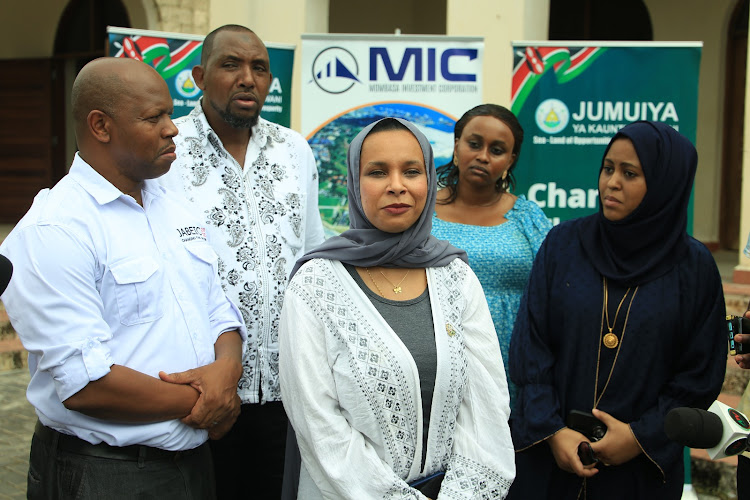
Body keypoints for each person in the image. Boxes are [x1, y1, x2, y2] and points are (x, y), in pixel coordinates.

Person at [0, 57, 246, 499]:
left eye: (171, 113)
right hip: (104, 474)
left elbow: (217, 310)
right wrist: (209, 401)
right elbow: (85, 384)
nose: (173, 128)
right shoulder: (55, 229)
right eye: (155, 117)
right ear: (100, 126)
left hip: (192, 464)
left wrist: (227, 372)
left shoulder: (173, 204)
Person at [279, 117, 515, 499]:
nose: (396, 186)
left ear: (430, 180)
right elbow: (318, 425)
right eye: (377, 172)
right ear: (355, 184)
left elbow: (486, 409)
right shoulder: (315, 285)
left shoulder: (455, 276)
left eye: (411, 171)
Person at [507, 121, 727, 499]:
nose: (611, 182)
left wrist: (641, 436)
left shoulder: (694, 267)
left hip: (638, 475)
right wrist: (552, 430)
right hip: (550, 462)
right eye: (608, 168)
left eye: (630, 173)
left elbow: (699, 372)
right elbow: (532, 345)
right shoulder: (564, 244)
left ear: (665, 184)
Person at [158, 24, 325, 497]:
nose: (247, 78)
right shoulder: (168, 150)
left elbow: (312, 252)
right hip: (201, 388)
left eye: (259, 68)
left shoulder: (294, 149)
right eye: (231, 65)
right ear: (198, 76)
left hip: (286, 386)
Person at [432, 104, 551, 405]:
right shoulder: (421, 211)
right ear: (457, 144)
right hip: (435, 357)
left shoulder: (527, 217)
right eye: (474, 144)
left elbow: (555, 289)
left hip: (510, 365)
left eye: (497, 150)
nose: (483, 156)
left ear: (511, 160)